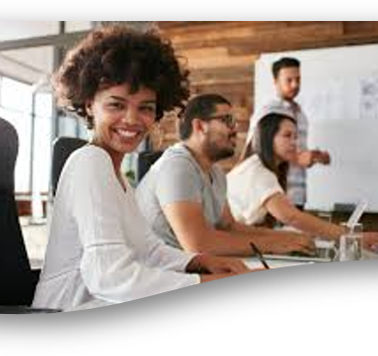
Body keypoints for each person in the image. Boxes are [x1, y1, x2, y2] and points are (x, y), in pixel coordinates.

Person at [32, 26, 257, 312]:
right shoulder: (90, 162)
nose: (132, 119)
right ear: (90, 104)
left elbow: (148, 250)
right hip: (67, 313)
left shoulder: (117, 175)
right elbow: (109, 276)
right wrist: (209, 283)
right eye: (116, 104)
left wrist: (198, 261)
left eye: (145, 108)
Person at [135, 94, 315, 257]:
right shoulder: (177, 166)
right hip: (158, 279)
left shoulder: (216, 172)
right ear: (199, 126)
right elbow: (198, 244)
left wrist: (288, 237)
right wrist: (272, 243)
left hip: (185, 270)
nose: (235, 129)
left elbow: (228, 227)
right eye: (227, 120)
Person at [228, 112, 378, 251]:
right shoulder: (258, 171)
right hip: (228, 247)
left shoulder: (258, 167)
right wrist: (352, 237)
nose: (294, 142)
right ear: (267, 137)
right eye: (287, 135)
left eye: (295, 137)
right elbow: (291, 217)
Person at [247, 57, 330, 210]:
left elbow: (295, 150)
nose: (295, 84)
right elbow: (258, 147)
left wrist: (315, 156)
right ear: (275, 81)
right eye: (289, 80)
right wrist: (298, 158)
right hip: (274, 192)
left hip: (298, 194)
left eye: (298, 79)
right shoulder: (268, 111)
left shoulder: (301, 113)